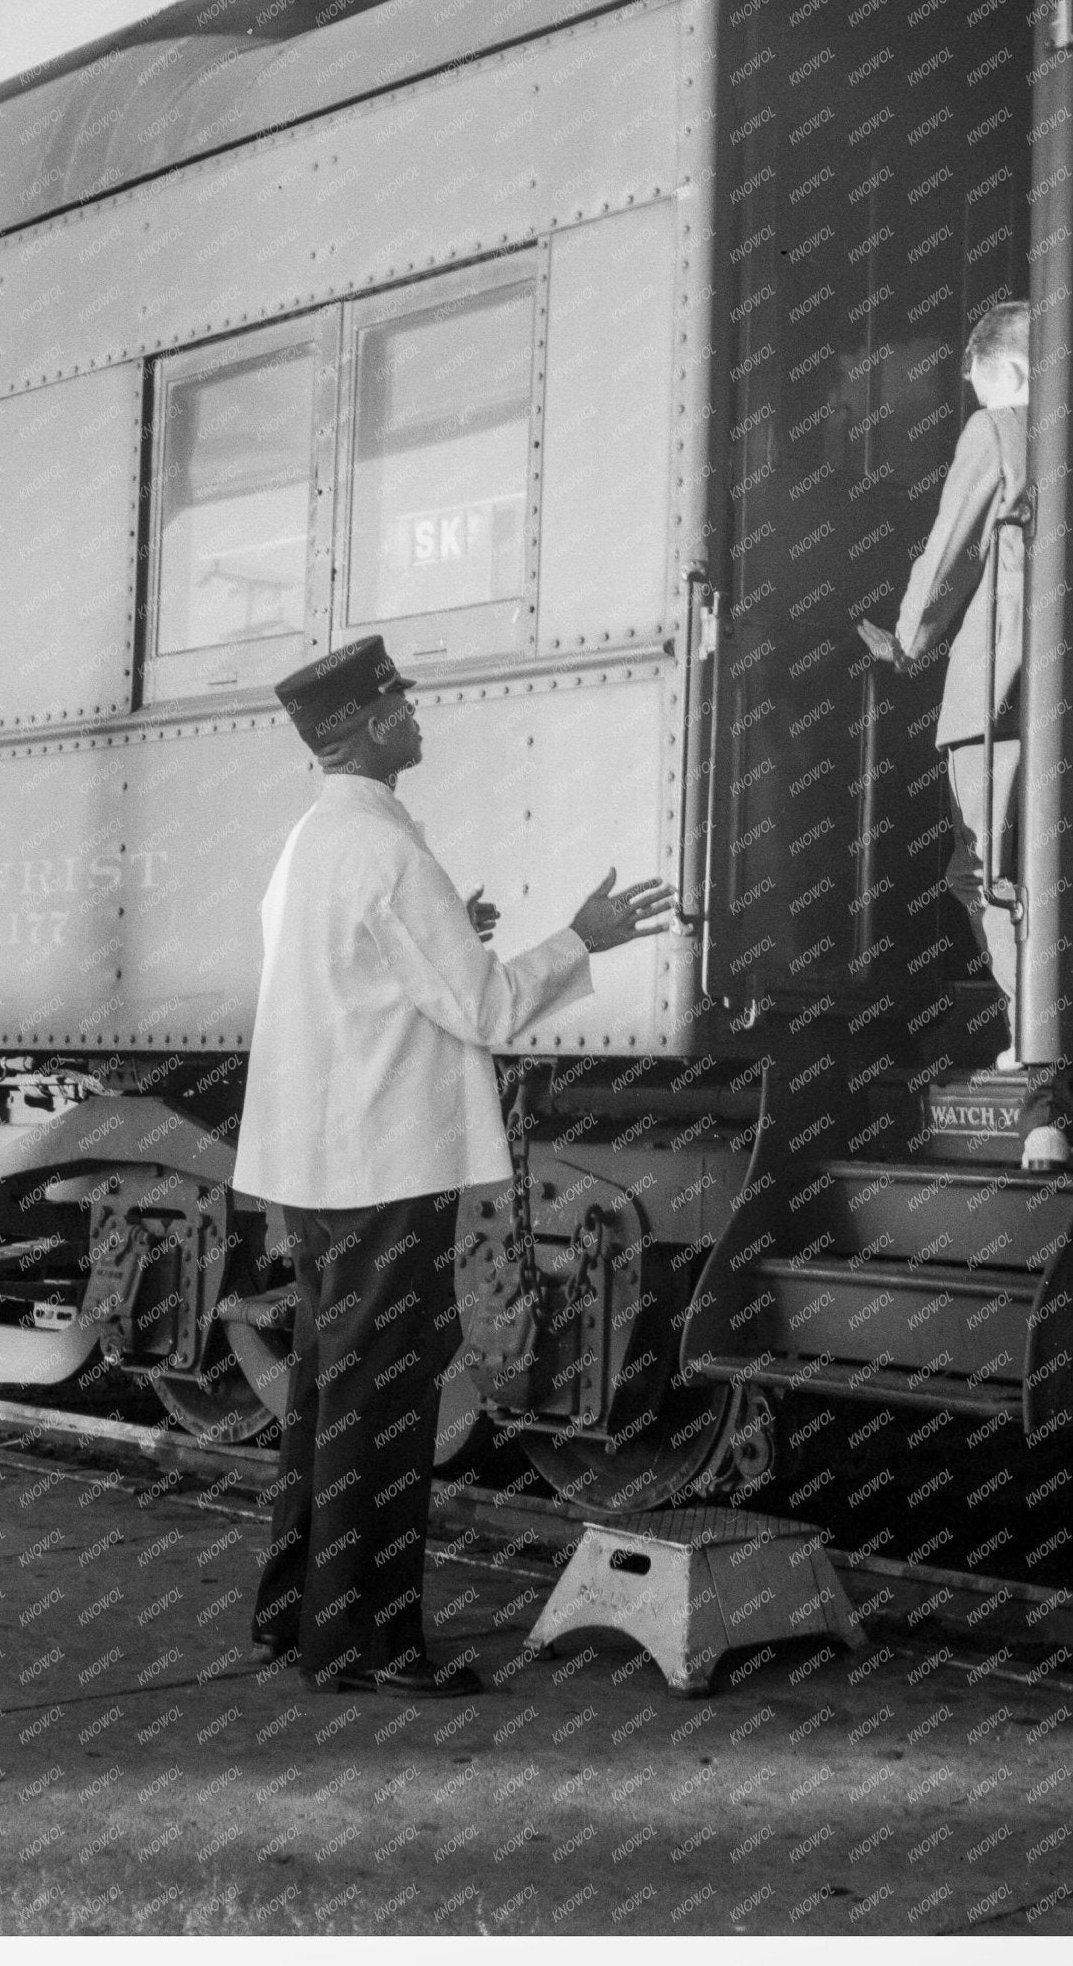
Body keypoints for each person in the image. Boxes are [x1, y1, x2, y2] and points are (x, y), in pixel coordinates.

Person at [232, 634, 675, 1696]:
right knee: (382, 1409)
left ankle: (296, 1618)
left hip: (325, 1167)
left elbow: (354, 976)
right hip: (386, 1165)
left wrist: (457, 932)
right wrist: (583, 934)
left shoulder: (314, 840)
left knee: (326, 1393)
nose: (416, 716)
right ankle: (369, 1646)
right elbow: (484, 1006)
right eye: (402, 703)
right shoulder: (384, 848)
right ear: (370, 722)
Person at [858, 300, 1071, 1171]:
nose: (975, 398)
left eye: (981, 380)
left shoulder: (1000, 429)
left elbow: (945, 553)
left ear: (1009, 373)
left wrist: (907, 641)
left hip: (998, 697)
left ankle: (1042, 1060)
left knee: (986, 874)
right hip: (1058, 697)